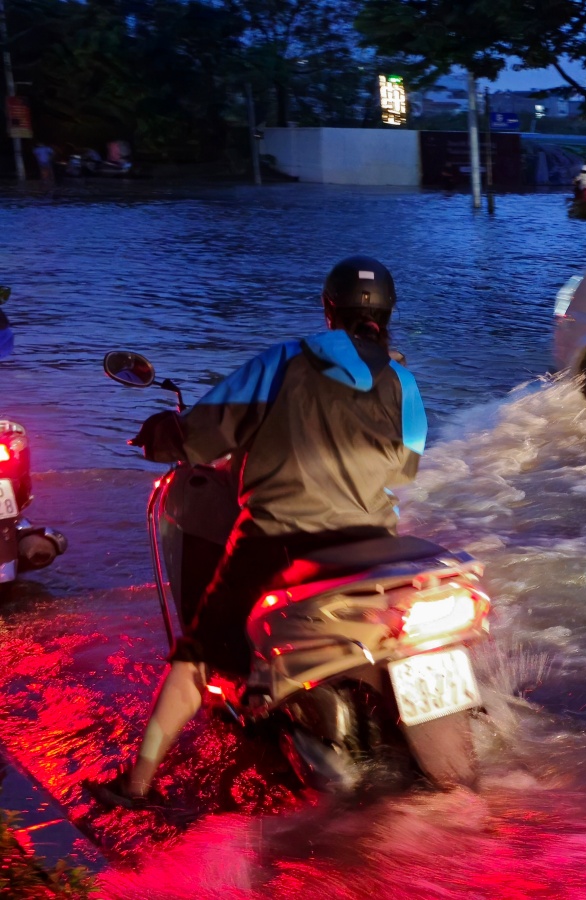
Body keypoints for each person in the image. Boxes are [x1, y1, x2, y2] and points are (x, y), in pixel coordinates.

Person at [89, 255, 427, 809]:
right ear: (388, 314)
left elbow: (203, 432)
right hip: (372, 544)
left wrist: (162, 437)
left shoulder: (284, 362)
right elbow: (405, 465)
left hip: (279, 538)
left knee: (195, 654)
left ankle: (136, 784)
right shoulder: (402, 381)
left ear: (328, 310)